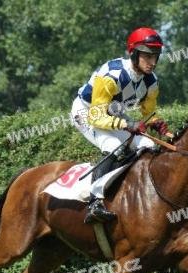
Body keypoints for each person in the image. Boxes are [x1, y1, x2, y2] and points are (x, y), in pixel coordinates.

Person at [71, 27, 171, 224]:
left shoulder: (151, 82)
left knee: (148, 145)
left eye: (155, 56)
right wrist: (128, 124)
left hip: (112, 113)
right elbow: (96, 117)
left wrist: (158, 125)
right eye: (147, 56)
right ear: (133, 53)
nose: (152, 62)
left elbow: (149, 113)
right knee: (113, 146)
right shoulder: (111, 75)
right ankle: (94, 202)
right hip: (86, 112)